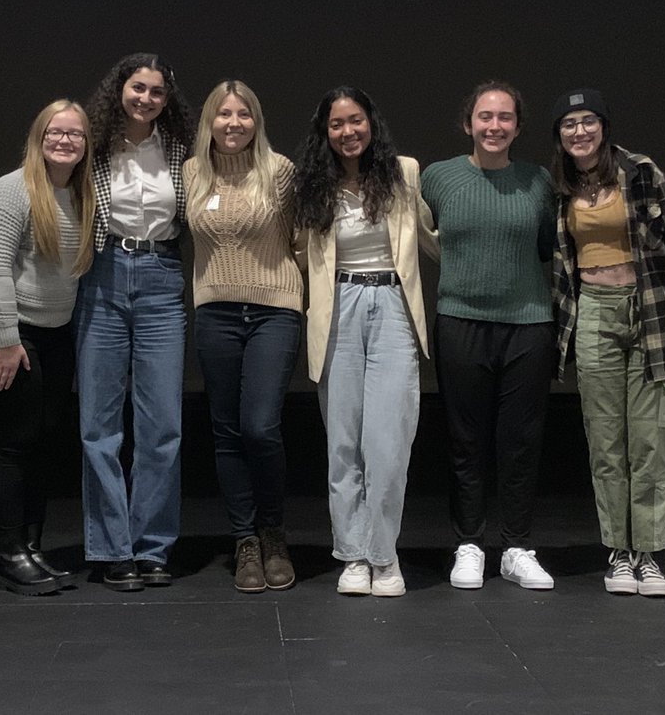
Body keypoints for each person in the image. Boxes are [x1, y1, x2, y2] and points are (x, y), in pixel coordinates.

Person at [549, 88, 665, 597]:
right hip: (593, 311)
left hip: (650, 309)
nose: (579, 132)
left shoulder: (641, 173)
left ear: (604, 127)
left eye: (588, 121)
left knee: (653, 437)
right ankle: (618, 552)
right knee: (606, 440)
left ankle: (650, 555)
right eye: (569, 124)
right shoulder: (558, 185)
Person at [295, 86, 437, 598]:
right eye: (336, 124)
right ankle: (353, 555)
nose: (348, 132)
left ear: (370, 123)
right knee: (343, 442)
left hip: (393, 307)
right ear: (325, 132)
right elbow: (295, 251)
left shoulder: (403, 173)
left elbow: (429, 237)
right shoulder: (312, 186)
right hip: (338, 309)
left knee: (389, 440)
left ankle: (384, 554)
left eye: (355, 120)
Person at [420, 80, 557, 593]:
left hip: (527, 324)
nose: (494, 126)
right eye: (485, 116)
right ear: (467, 123)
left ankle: (517, 547)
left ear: (518, 127)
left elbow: (545, 246)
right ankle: (470, 545)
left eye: (504, 117)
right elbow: (422, 235)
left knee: (520, 441)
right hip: (460, 321)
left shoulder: (538, 181)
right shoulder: (438, 178)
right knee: (465, 440)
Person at [0, 99, 96, 595]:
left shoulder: (80, 196)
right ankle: (10, 555)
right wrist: (6, 340)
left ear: (86, 145)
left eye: (75, 134)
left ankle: (33, 548)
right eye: (55, 132)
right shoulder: (12, 191)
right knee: (13, 443)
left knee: (41, 445)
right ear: (39, 138)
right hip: (6, 335)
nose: (65, 141)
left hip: (53, 335)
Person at [74, 53, 195, 591]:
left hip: (162, 276)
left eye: (157, 92)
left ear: (168, 102)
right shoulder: (93, 148)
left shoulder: (180, 152)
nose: (146, 98)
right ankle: (111, 548)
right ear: (118, 89)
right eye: (137, 88)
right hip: (102, 274)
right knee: (100, 425)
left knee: (161, 425)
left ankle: (152, 548)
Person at [184, 80, 303, 593]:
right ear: (209, 121)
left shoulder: (279, 173)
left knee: (260, 426)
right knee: (227, 430)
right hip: (215, 312)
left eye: (244, 114)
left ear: (257, 121)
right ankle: (244, 541)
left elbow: (302, 242)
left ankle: (273, 532)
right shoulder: (191, 174)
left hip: (274, 309)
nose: (234, 123)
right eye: (224, 114)